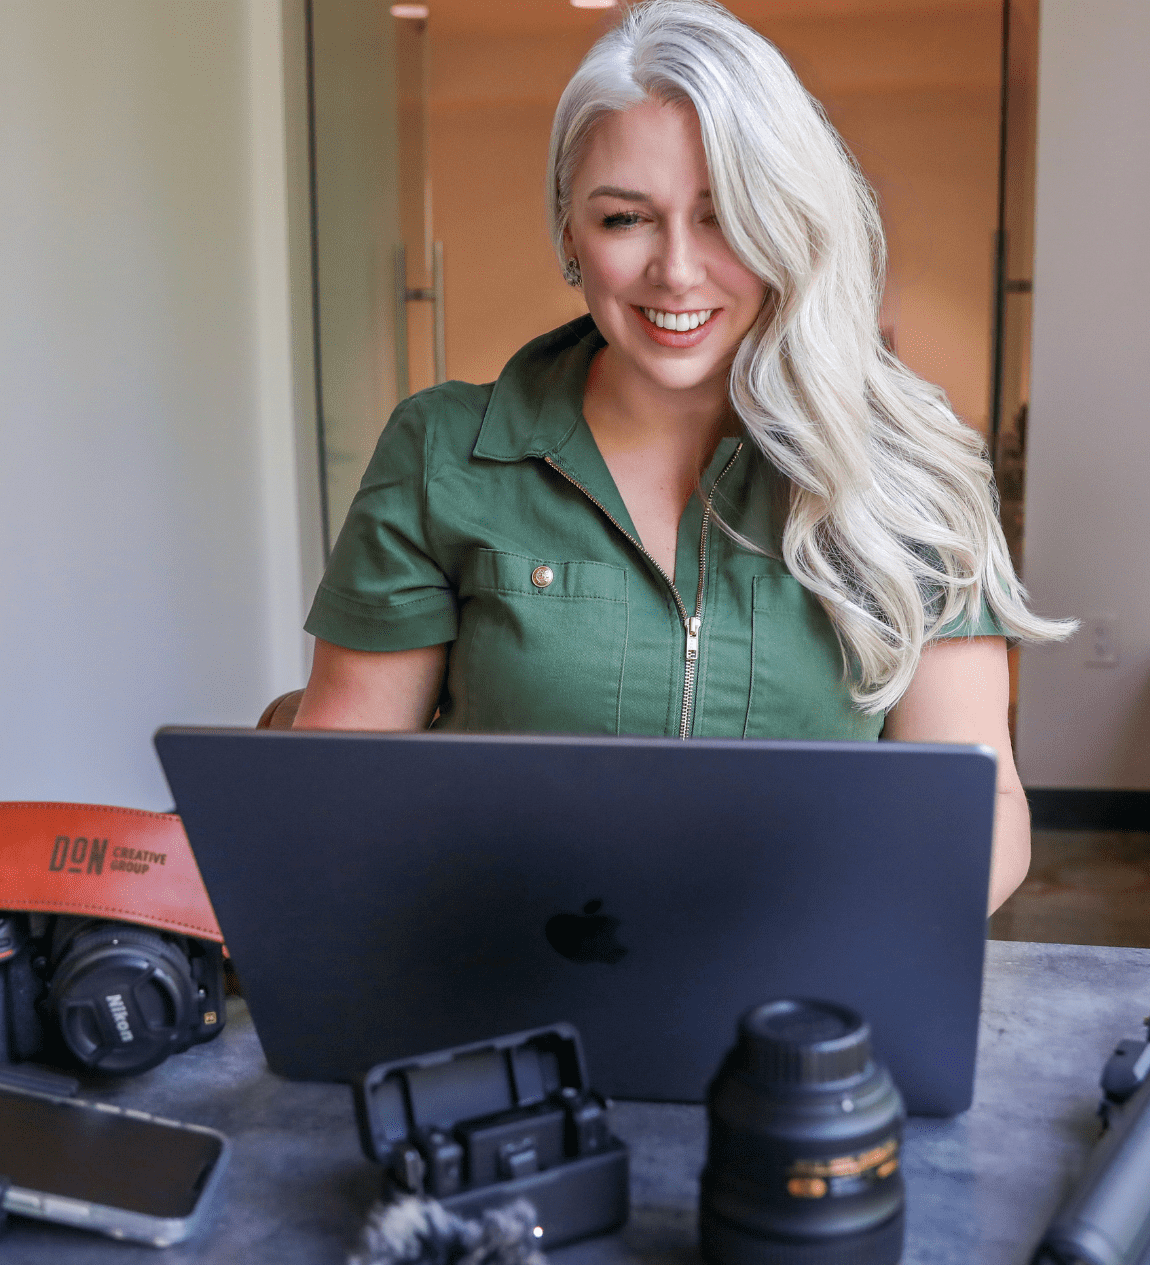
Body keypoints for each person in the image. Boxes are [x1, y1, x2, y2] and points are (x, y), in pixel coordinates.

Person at [294, 0, 1071, 912]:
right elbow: (334, 794)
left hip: (802, 1003)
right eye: (626, 218)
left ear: (788, 226)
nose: (676, 270)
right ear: (571, 234)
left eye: (723, 218)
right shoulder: (442, 454)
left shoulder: (907, 467)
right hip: (502, 990)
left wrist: (853, 941)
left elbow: (978, 811)